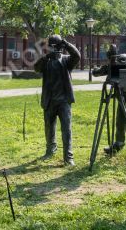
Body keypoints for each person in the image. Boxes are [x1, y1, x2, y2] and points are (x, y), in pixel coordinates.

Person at [34, 35, 81, 166]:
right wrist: (45, 58)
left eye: (56, 46)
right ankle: (50, 150)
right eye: (51, 46)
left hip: (64, 101)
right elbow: (36, 68)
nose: (54, 49)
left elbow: (77, 56)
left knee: (67, 129)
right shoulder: (46, 62)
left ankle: (68, 157)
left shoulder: (66, 61)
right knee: (49, 128)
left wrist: (66, 44)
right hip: (49, 100)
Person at [92, 44, 126, 163]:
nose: (115, 65)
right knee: (120, 124)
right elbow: (97, 72)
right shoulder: (112, 68)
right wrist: (97, 69)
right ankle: (119, 144)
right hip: (122, 101)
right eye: (112, 62)